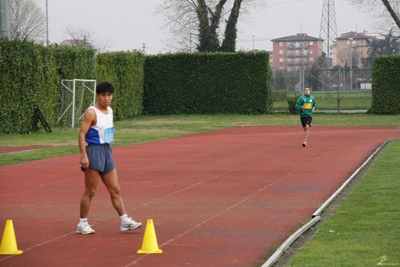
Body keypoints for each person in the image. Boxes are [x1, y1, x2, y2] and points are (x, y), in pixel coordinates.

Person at [77, 81, 142, 234]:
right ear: (97, 96)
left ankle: (125, 220)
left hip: (107, 151)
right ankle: (82, 223)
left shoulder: (110, 111)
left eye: (109, 95)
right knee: (90, 190)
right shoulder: (91, 112)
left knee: (115, 189)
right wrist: (83, 156)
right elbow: (81, 134)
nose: (106, 98)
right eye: (103, 95)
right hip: (94, 151)